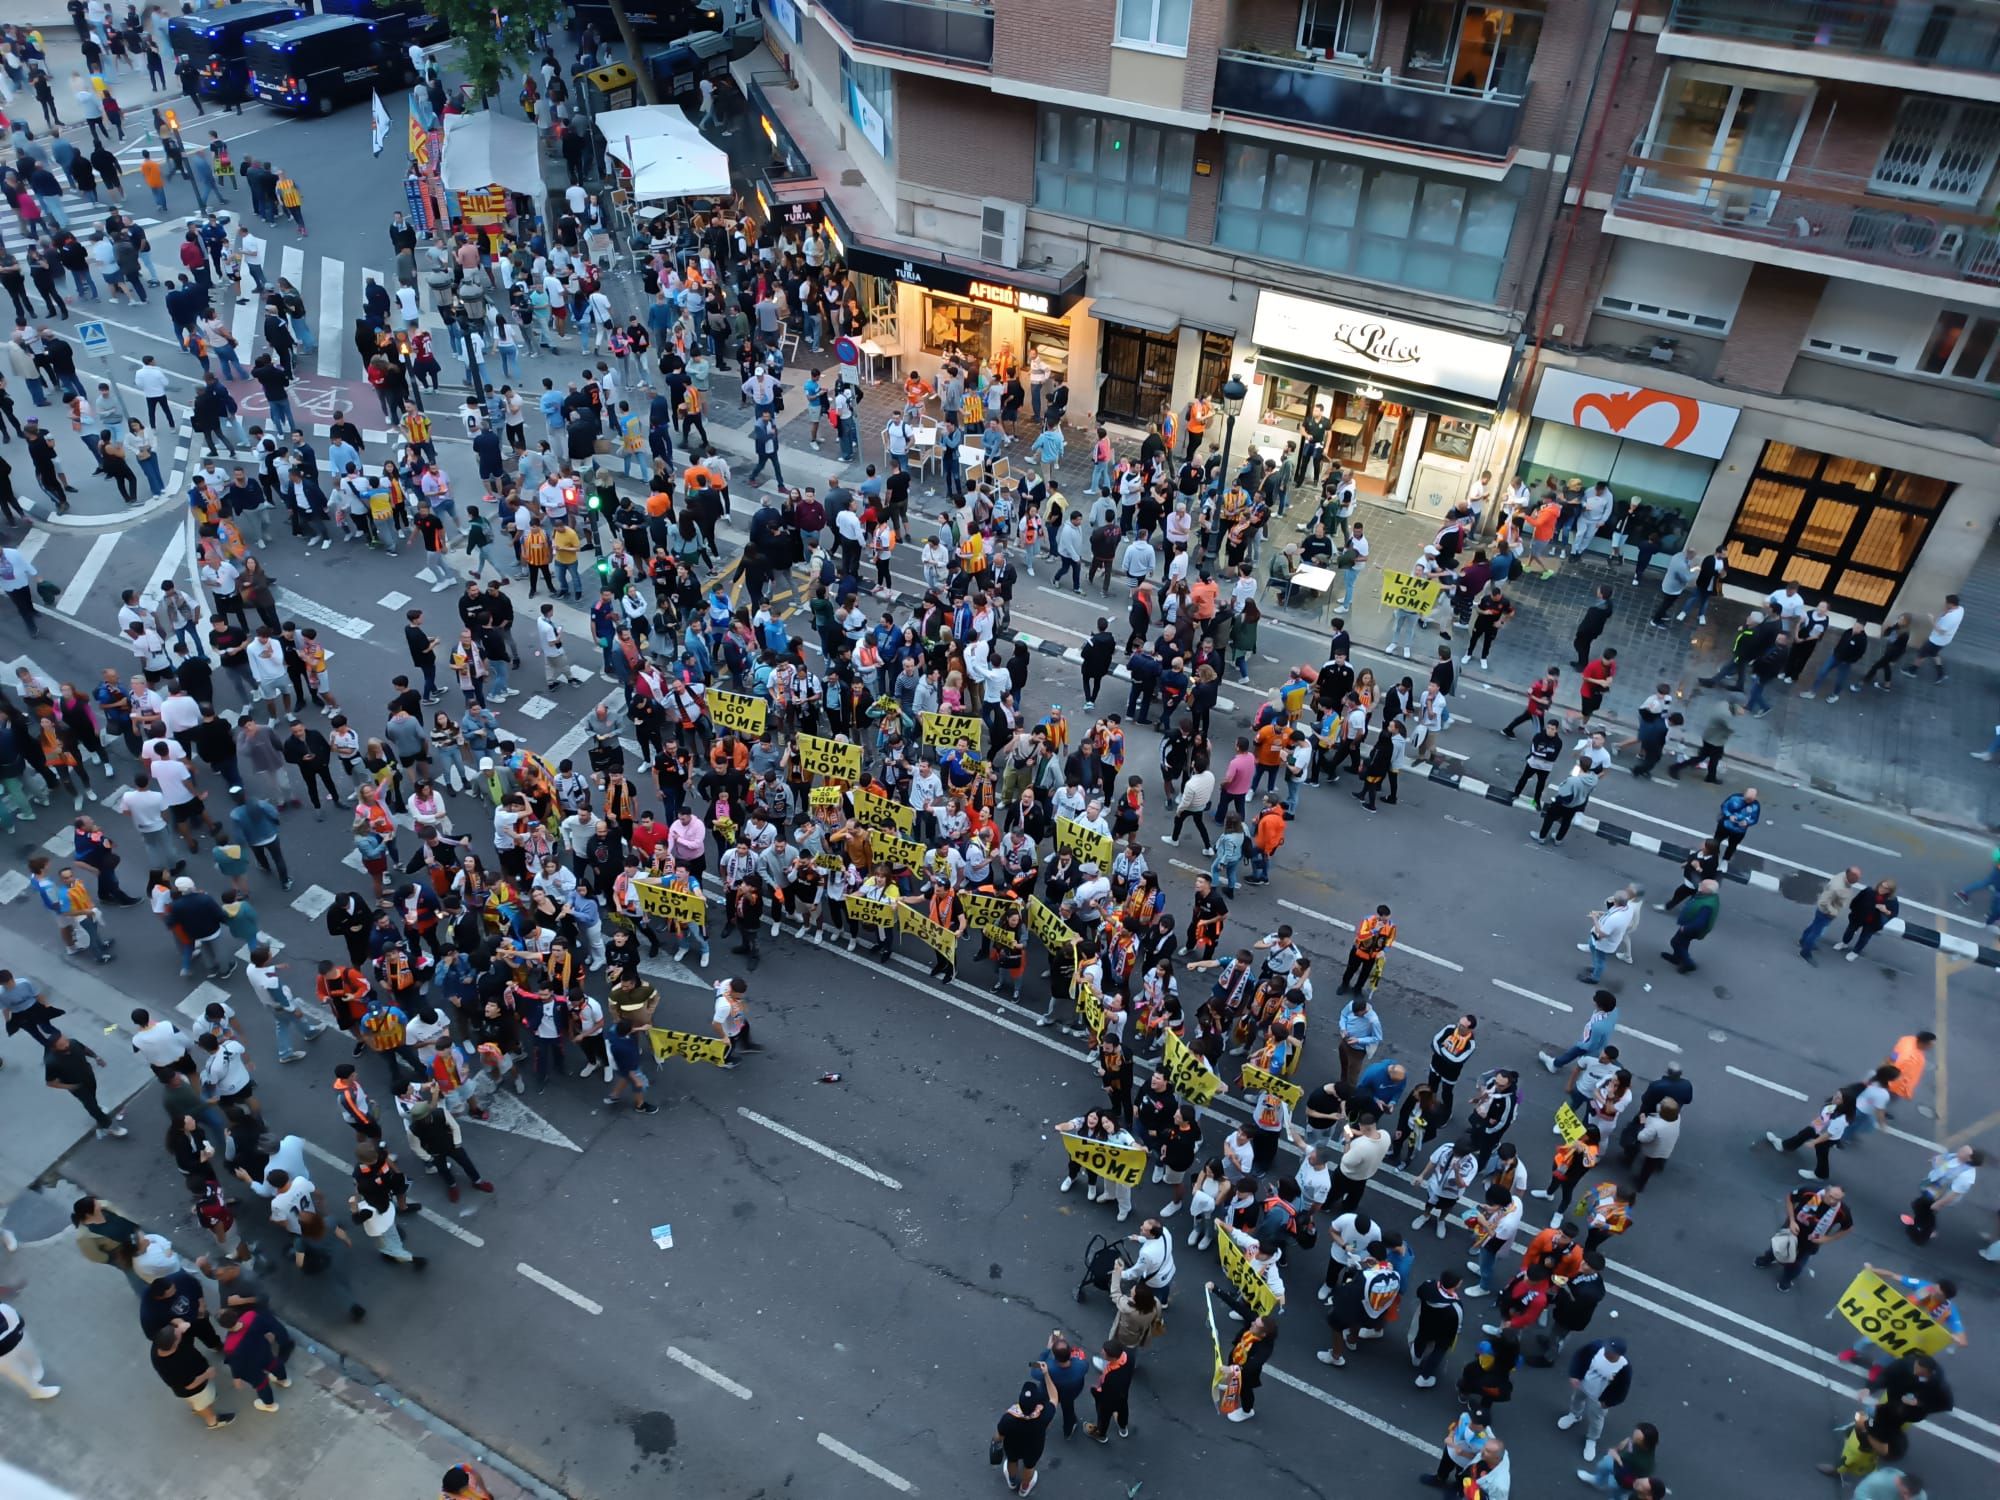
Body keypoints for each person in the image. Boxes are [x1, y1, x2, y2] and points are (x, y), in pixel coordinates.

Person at [1754, 1182, 1852, 1291]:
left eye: (1837, 1200)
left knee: (1798, 1264)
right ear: (1826, 1191)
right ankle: (1768, 1258)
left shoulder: (1843, 1211)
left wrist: (1827, 1239)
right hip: (1792, 1228)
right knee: (1778, 1247)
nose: (1832, 1201)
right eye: (1831, 1197)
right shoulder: (1809, 1192)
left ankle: (1787, 1279)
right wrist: (1791, 1220)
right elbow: (1790, 1198)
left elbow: (1848, 1228)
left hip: (1812, 1240)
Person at [1560, 1337, 1631, 1463]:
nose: (1606, 1351)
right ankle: (1575, 1415)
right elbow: (1579, 1356)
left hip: (1599, 1398)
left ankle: (1592, 1438)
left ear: (1618, 1355)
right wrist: (1575, 1375)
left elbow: (1622, 1389)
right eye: (1607, 1348)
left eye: (1610, 1351)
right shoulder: (1597, 1347)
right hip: (1582, 1385)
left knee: (1597, 1418)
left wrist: (1608, 1402)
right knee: (1576, 1400)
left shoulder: (1624, 1368)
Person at [994, 1365, 1057, 1495]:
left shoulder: (1009, 1418)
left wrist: (996, 1443)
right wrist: (1046, 1374)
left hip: (1013, 1445)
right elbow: (1054, 1398)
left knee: (1012, 1460)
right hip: (1034, 1447)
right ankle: (1024, 1488)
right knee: (1029, 1466)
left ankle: (1012, 1481)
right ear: (1036, 1405)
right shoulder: (1044, 1416)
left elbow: (998, 1437)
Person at [0, 1298, 61, 1399]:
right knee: (18, 1373)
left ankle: (35, 1368)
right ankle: (36, 1391)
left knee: (30, 1354)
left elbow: (14, 1317)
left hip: (17, 1335)